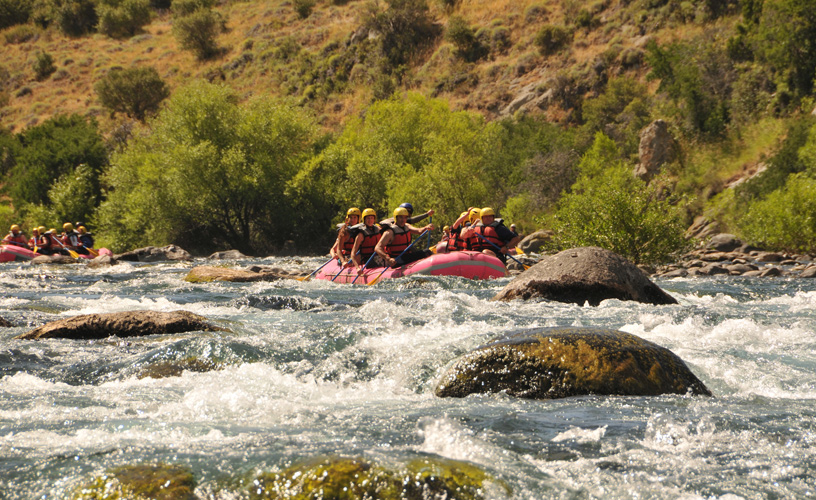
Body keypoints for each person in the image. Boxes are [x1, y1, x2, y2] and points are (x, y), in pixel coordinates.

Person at [350, 208, 384, 275]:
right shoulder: (361, 235)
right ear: (364, 220)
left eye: (372, 218)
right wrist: (357, 268)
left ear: (374, 219)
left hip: (379, 256)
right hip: (367, 260)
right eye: (368, 218)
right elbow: (353, 254)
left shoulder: (378, 230)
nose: (370, 220)